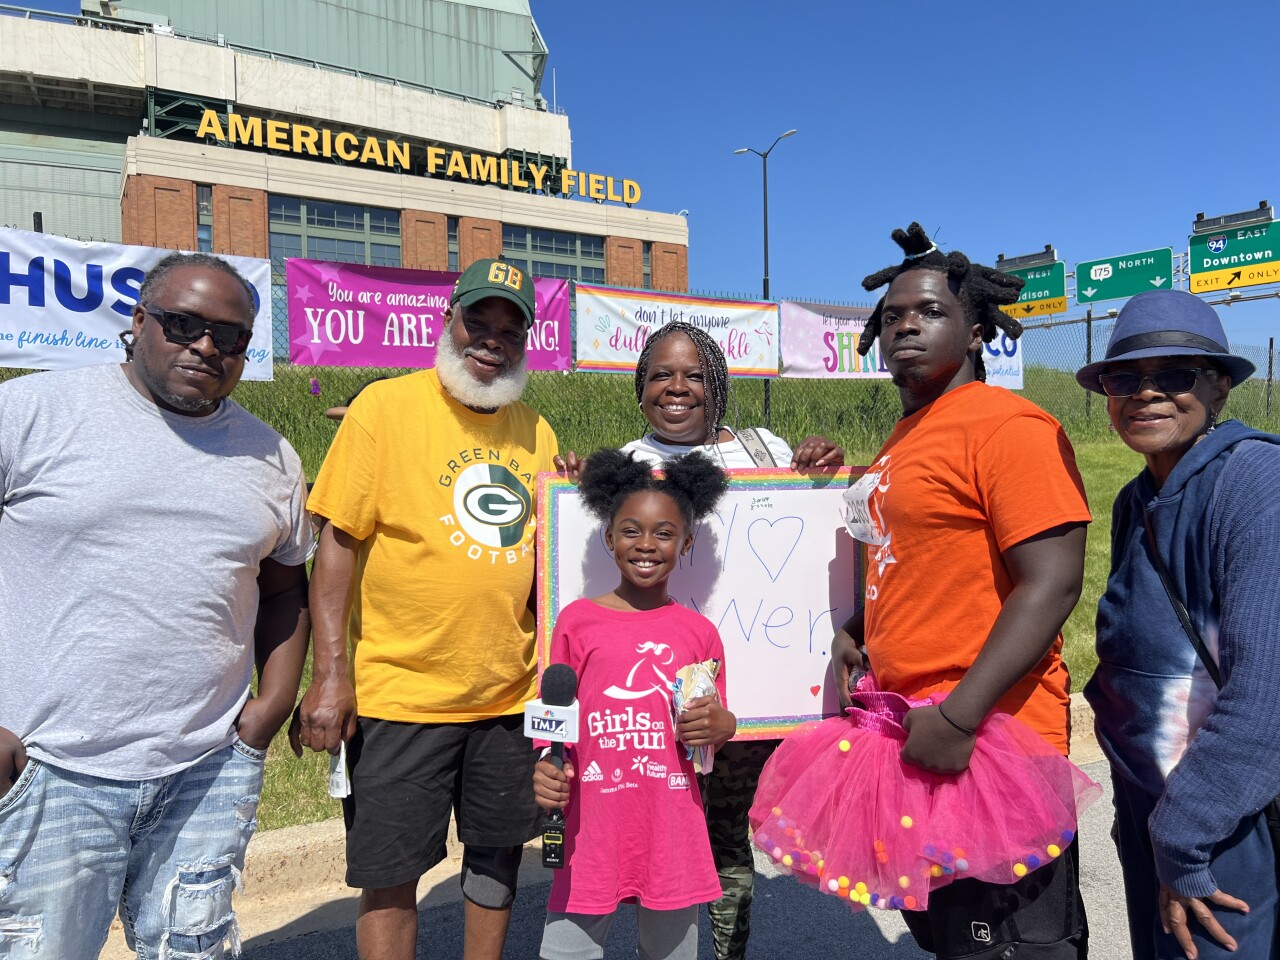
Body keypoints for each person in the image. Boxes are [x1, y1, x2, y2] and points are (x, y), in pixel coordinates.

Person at [0, 252, 312, 959]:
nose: (207, 346)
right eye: (183, 324)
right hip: (51, 769)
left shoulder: (271, 458)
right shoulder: (30, 413)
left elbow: (286, 587)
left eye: (231, 336)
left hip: (206, 768)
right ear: (139, 322)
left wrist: (270, 710)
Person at [826, 222, 1094, 958]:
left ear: (977, 330)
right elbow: (921, 562)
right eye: (891, 315)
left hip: (989, 742)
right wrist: (859, 626)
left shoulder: (1009, 426)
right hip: (912, 735)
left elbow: (1054, 579)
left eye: (930, 311)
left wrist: (961, 716)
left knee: (1007, 947)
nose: (905, 322)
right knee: (947, 940)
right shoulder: (907, 435)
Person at [293, 258, 559, 960]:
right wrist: (330, 674)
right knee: (389, 877)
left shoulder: (537, 432)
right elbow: (338, 544)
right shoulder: (385, 408)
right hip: (400, 696)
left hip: (506, 695)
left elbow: (552, 560)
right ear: (449, 318)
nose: (492, 340)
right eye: (480, 321)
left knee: (498, 859)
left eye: (511, 328)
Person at [555, 320, 845, 960]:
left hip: (746, 698)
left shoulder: (761, 450)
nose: (677, 387)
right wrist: (565, 490)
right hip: (644, 710)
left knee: (722, 844)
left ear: (717, 385)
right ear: (640, 388)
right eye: (661, 374)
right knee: (649, 836)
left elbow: (810, 533)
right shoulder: (623, 465)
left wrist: (818, 463)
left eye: (693, 374)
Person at [1076, 290, 1280, 960]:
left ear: (1218, 388)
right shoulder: (1139, 497)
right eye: (1124, 378)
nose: (1146, 394)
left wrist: (1186, 838)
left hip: (1225, 820)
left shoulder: (1255, 481)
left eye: (1174, 376)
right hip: (1155, 814)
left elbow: (1265, 694)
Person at [533, 448, 737, 960]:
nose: (646, 545)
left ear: (686, 543)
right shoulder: (576, 622)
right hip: (590, 828)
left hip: (671, 829)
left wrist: (722, 724)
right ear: (608, 537)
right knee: (565, 951)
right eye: (630, 530)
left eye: (664, 533)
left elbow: (718, 723)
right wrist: (545, 765)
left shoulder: (699, 633)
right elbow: (552, 721)